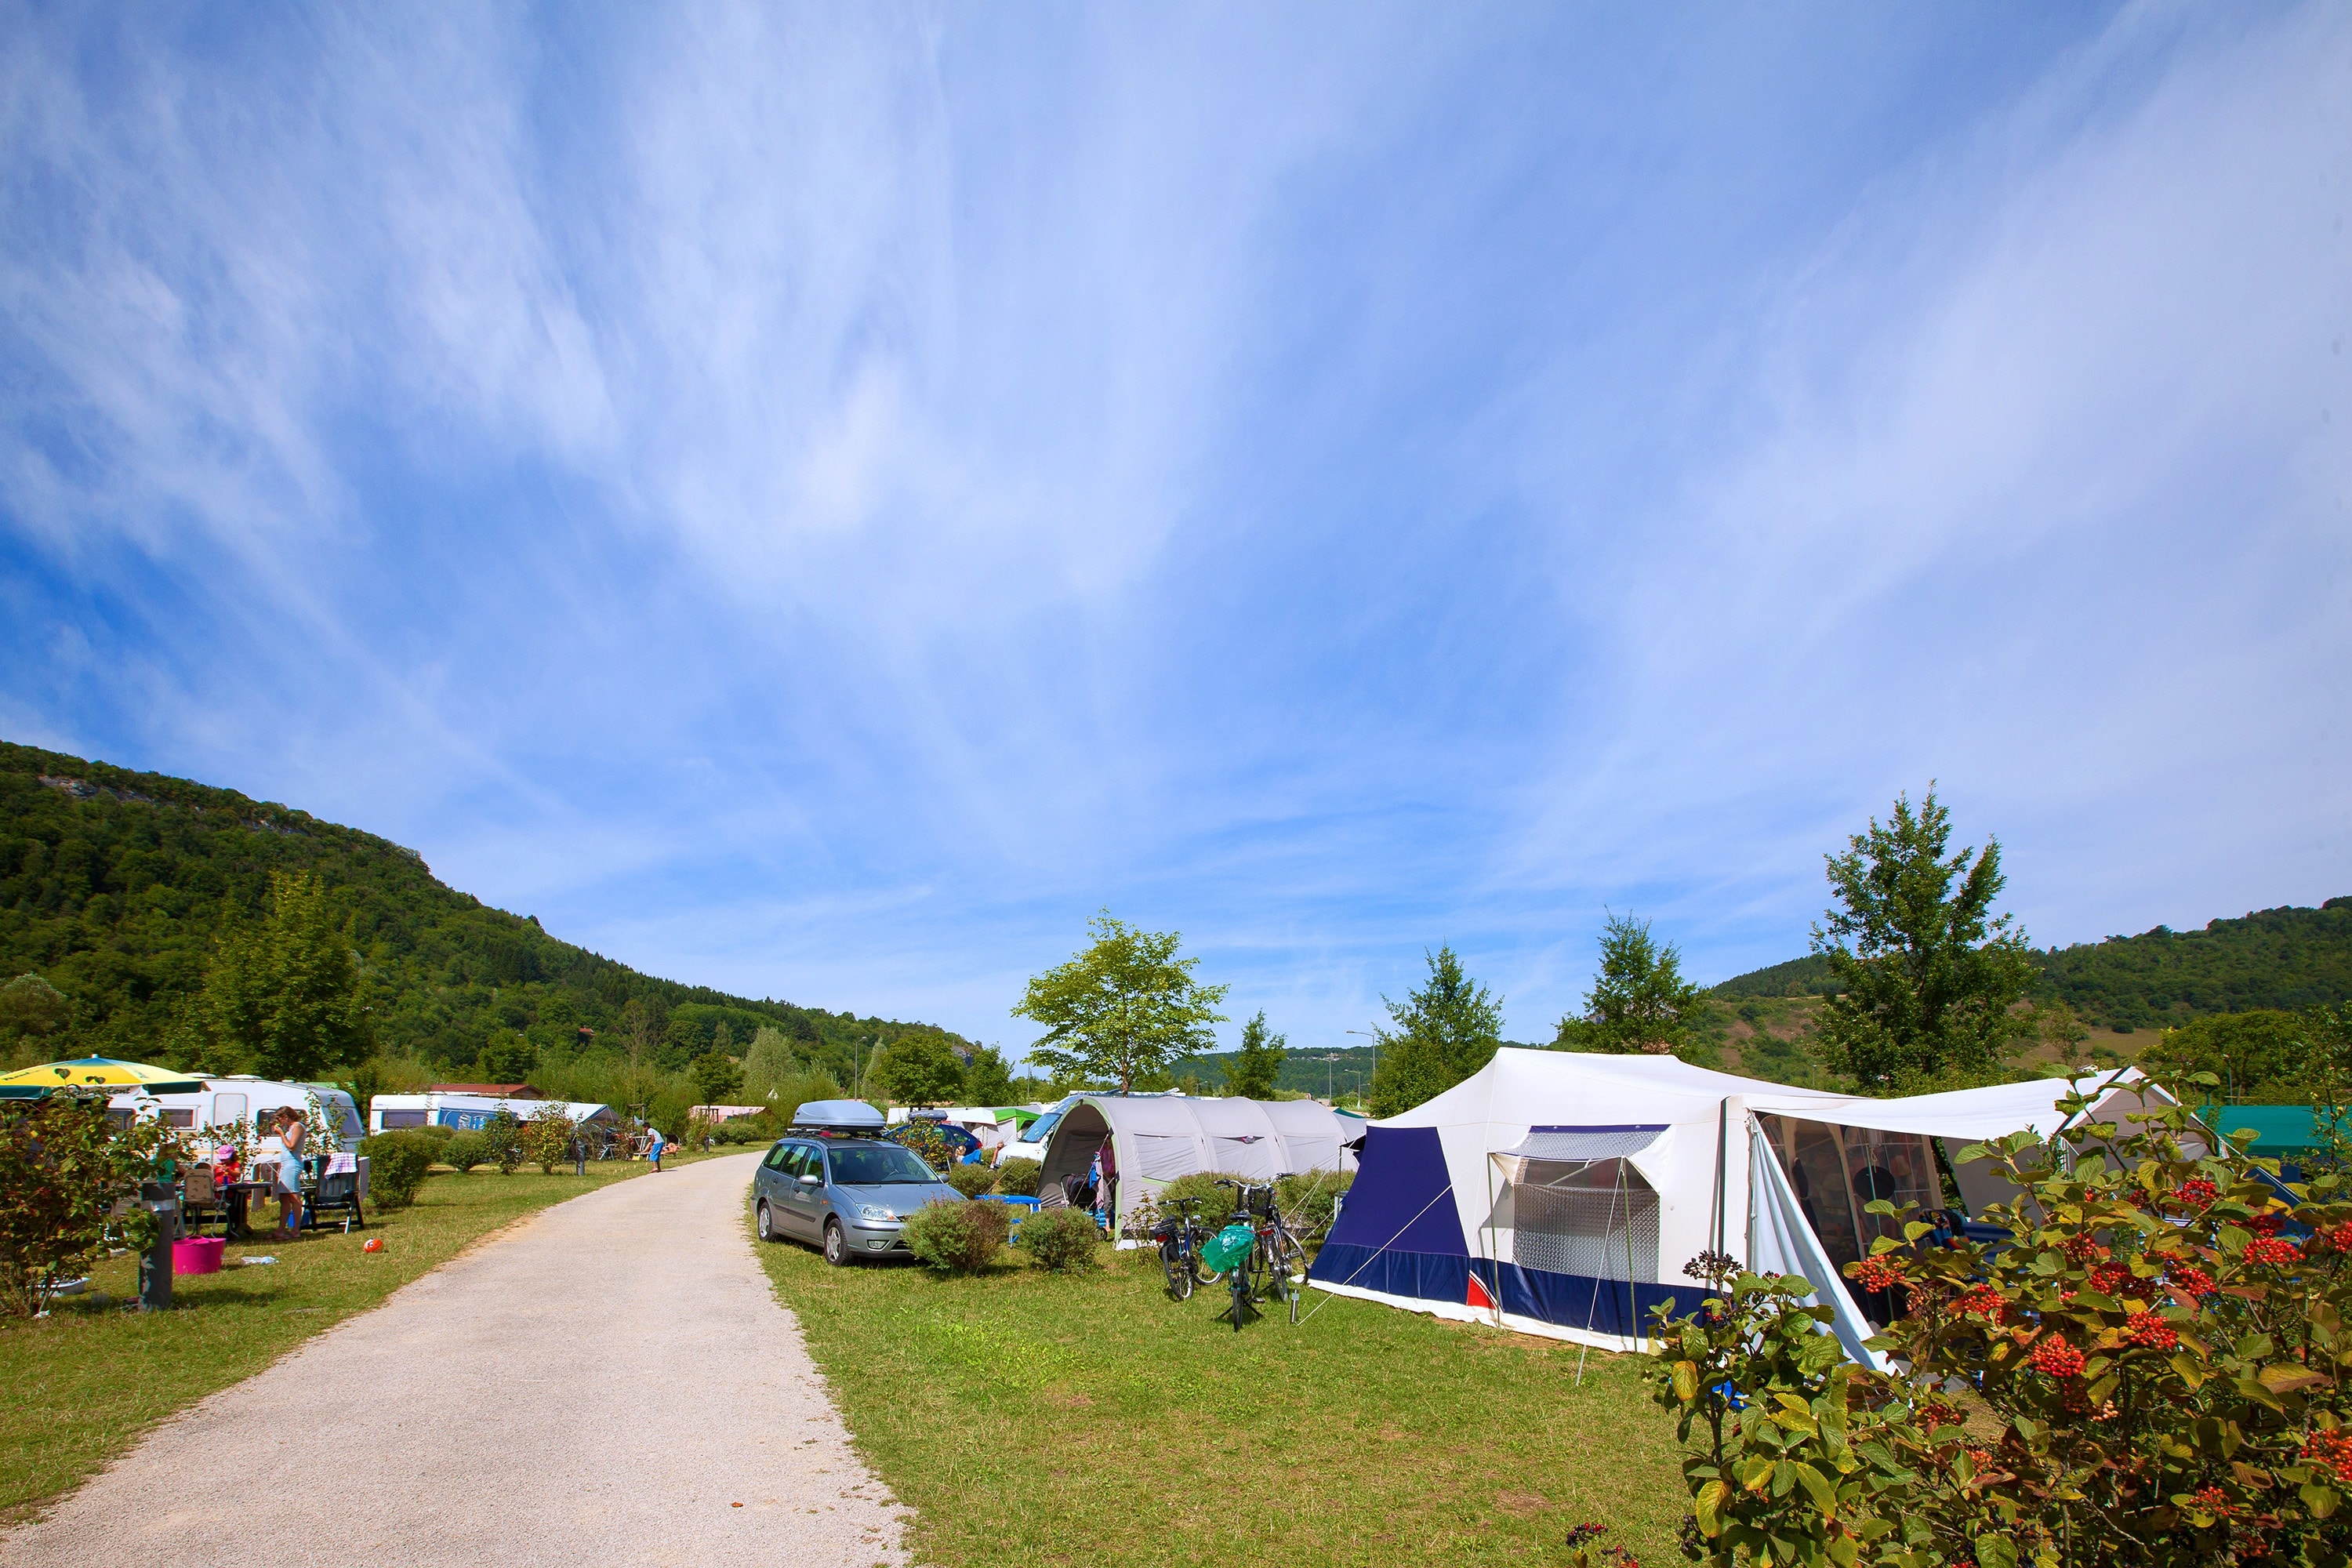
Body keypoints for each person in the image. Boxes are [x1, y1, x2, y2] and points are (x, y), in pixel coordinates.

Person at [269, 1107, 307, 1239]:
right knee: (283, 1198)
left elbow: (291, 1146)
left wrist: (281, 1133)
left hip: (293, 1164)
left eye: (280, 1119)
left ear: (286, 1116)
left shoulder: (298, 1126)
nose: (279, 1122)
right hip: (286, 1165)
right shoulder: (291, 1128)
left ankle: (296, 1230)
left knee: (294, 1198)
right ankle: (280, 1230)